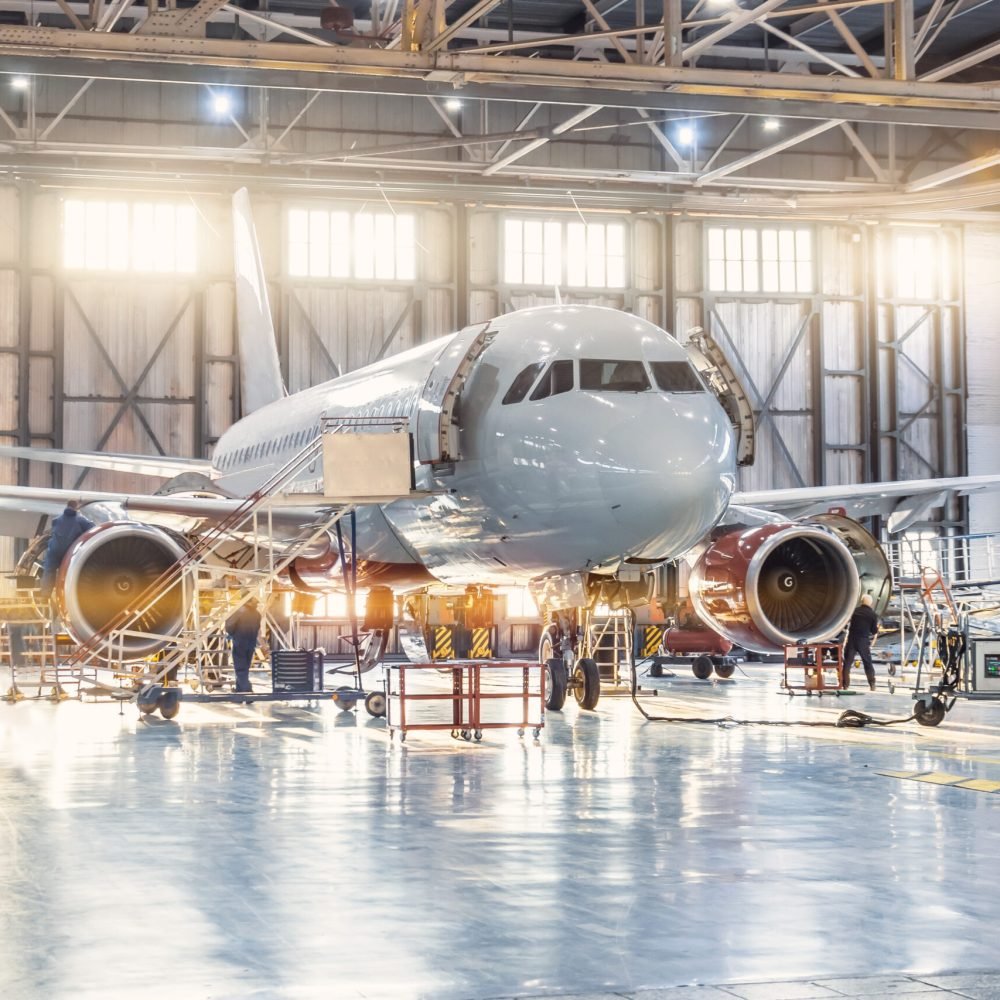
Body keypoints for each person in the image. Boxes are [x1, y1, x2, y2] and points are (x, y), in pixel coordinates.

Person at [39, 500, 94, 601]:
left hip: (54, 550)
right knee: (69, 574)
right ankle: (67, 597)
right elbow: (93, 529)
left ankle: (45, 595)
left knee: (49, 571)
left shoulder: (56, 519)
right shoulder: (81, 520)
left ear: (67, 506)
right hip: (68, 552)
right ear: (76, 507)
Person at [842, 593, 880, 691]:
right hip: (863, 641)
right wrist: (877, 628)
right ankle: (872, 684)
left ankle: (845, 685)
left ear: (861, 601)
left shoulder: (854, 611)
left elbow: (847, 622)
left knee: (847, 663)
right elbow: (874, 631)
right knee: (867, 663)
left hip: (852, 640)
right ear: (870, 603)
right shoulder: (872, 614)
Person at [226, 597, 262, 694]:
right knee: (244, 668)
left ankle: (247, 691)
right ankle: (239, 691)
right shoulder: (257, 614)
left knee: (240, 668)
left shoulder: (239, 612)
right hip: (251, 643)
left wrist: (233, 634)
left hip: (240, 642)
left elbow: (229, 626)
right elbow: (257, 628)